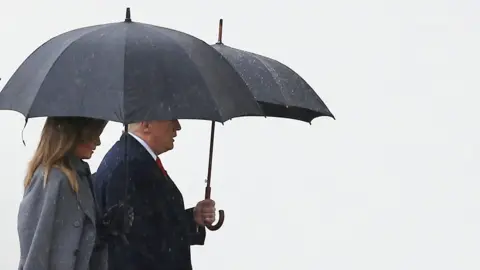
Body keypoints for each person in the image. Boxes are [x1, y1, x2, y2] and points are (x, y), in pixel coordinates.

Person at [93, 119, 216, 270]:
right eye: (171, 119)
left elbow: (150, 226)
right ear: (146, 125)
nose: (178, 127)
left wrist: (192, 219)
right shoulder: (128, 167)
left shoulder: (133, 157)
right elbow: (129, 247)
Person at [17, 117, 108, 270]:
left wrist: (108, 228)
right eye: (92, 133)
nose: (98, 142)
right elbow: (36, 250)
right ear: (72, 134)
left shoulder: (81, 177)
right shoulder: (52, 180)